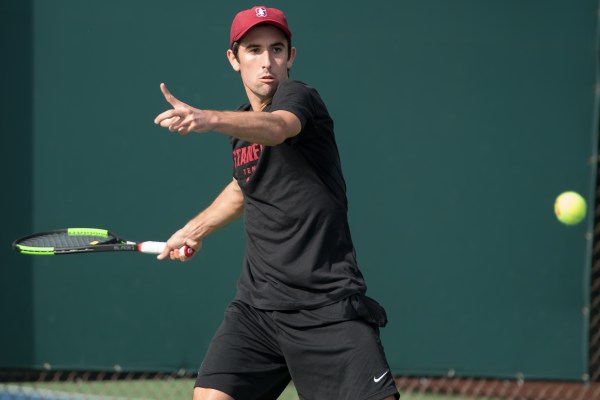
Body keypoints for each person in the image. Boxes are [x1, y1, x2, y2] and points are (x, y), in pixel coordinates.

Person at [154, 5, 400, 400]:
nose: (266, 61)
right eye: (253, 50)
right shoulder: (240, 128)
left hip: (326, 307)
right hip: (257, 309)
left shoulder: (298, 97)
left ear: (291, 56)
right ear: (234, 59)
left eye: (276, 49)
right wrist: (194, 230)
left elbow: (277, 128)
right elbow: (243, 186)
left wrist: (209, 120)